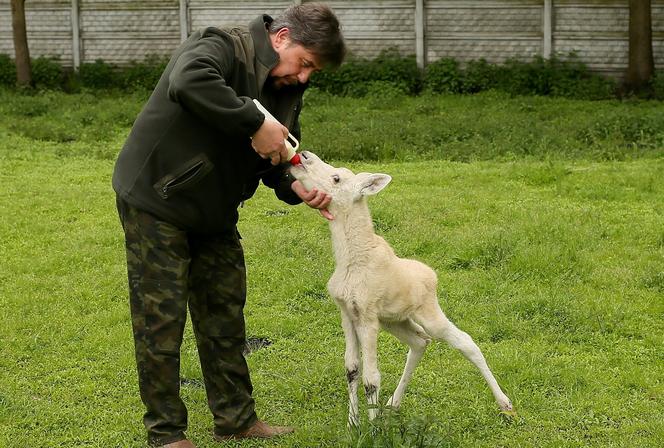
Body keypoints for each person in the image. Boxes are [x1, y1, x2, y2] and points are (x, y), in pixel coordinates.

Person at [112, 4, 345, 447]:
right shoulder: (220, 46)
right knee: (160, 317)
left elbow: (274, 150)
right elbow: (188, 81)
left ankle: (236, 420)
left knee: (224, 312)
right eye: (306, 63)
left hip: (214, 209)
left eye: (313, 70)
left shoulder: (284, 84)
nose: (304, 77)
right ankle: (166, 434)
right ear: (281, 39)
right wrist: (256, 121)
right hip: (156, 197)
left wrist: (292, 184)